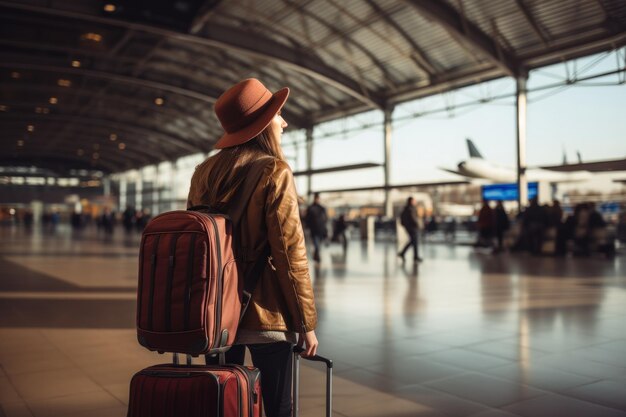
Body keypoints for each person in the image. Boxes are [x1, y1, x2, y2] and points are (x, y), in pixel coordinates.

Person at [186, 78, 318, 417]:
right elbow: (290, 254)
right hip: (265, 315)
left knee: (221, 405)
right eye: (278, 115)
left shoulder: (204, 172)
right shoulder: (274, 171)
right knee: (278, 407)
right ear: (263, 125)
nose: (284, 122)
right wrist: (306, 323)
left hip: (215, 314)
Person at [305, 193, 328, 262]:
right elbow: (307, 219)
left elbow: (325, 219)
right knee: (316, 243)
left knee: (318, 244)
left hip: (320, 229)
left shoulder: (322, 208)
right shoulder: (311, 208)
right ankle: (317, 256)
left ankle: (316, 255)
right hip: (314, 229)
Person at [398, 197, 422, 262]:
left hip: (409, 227)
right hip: (412, 227)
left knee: (413, 241)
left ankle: (403, 253)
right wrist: (418, 224)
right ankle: (414, 256)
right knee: (414, 241)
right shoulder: (411, 209)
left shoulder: (406, 209)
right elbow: (413, 218)